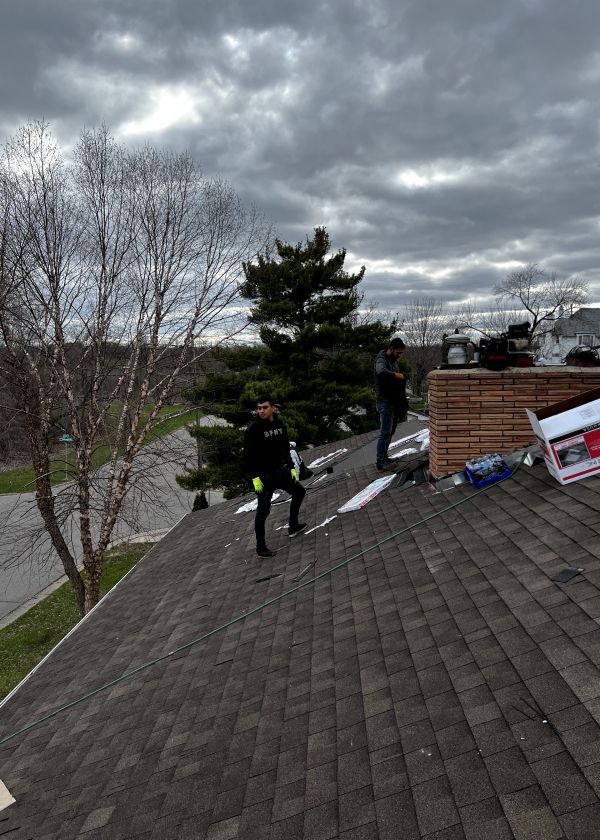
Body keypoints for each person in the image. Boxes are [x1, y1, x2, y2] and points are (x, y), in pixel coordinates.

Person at [243, 396, 307, 557]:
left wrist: (292, 468)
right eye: (259, 408)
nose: (261, 411)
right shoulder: (253, 429)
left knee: (299, 492)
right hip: (263, 476)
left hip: (279, 471)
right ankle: (261, 547)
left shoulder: (280, 426)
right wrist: (254, 478)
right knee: (263, 511)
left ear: (273, 408)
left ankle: (293, 526)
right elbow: (248, 457)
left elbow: (285, 449)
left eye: (264, 407)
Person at [374, 337, 408, 470]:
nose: (399, 356)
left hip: (392, 400)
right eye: (398, 353)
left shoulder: (393, 361)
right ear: (391, 349)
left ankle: (384, 457)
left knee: (390, 431)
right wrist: (396, 375)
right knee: (385, 431)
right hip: (384, 400)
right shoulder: (381, 359)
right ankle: (380, 462)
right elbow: (381, 371)